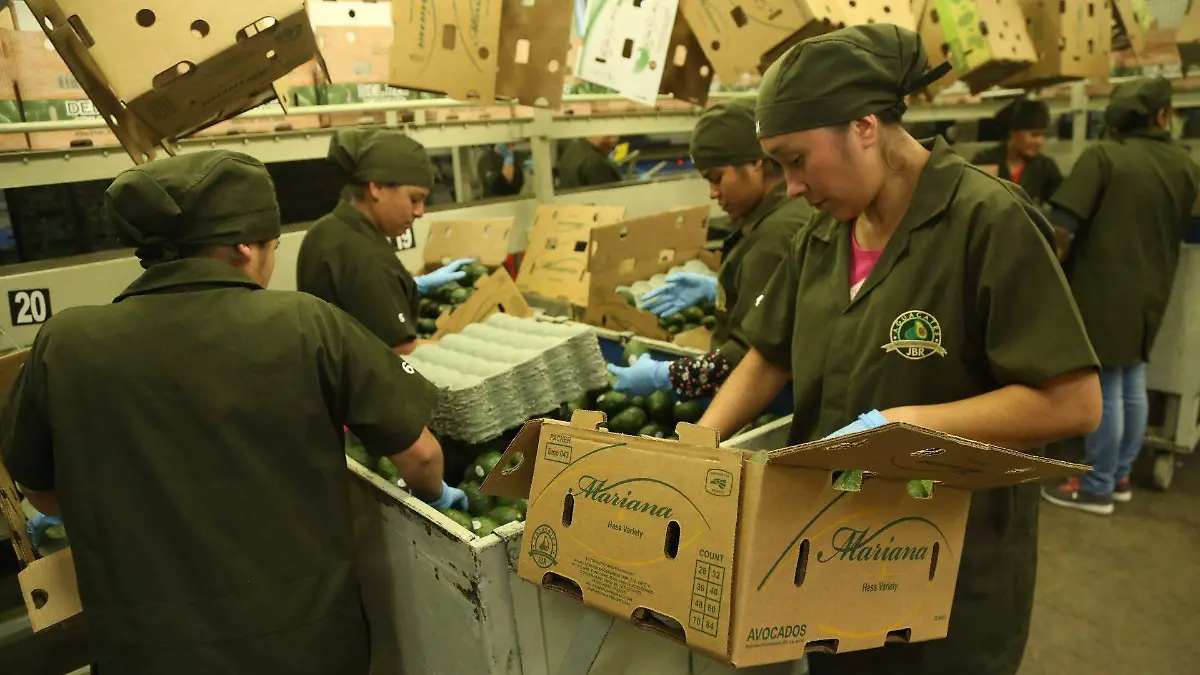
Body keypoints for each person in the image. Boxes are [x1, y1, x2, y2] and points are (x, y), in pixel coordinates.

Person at [695, 24, 1102, 675]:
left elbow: (1073, 403)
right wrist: (700, 444)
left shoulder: (986, 220)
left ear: (863, 127)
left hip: (947, 564)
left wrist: (902, 425)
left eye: (797, 160)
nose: (791, 187)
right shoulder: (822, 236)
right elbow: (770, 354)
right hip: (833, 550)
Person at [0, 150, 468, 675]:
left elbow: (40, 489)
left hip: (147, 648)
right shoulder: (306, 324)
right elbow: (420, 455)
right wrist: (438, 494)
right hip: (300, 645)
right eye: (273, 247)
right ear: (246, 245)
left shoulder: (66, 340)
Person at [1041, 77, 1200, 515]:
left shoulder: (1104, 157)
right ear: (1162, 116)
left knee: (1106, 386)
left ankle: (1097, 487)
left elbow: (1060, 229)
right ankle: (1121, 476)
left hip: (1103, 292)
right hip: (1154, 291)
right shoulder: (1185, 165)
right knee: (1132, 382)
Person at [606, 98, 813, 399]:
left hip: (772, 398)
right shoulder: (782, 213)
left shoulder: (774, 235)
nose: (713, 193)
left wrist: (669, 376)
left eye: (717, 178)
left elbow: (752, 358)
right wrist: (725, 290)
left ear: (756, 162)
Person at [297, 128, 473, 354]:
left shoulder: (324, 230)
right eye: (414, 199)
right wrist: (467, 348)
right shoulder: (366, 254)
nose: (420, 212)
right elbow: (401, 350)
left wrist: (412, 285)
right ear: (376, 187)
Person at [970, 98, 1063, 207]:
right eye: (1034, 135)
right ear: (1014, 133)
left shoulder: (1045, 166)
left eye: (1043, 135)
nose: (1040, 142)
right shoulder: (985, 160)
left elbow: (1061, 205)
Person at [556, 135, 624, 189]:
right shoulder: (596, 162)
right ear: (605, 138)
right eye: (613, 145)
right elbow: (612, 195)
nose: (613, 148)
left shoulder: (573, 147)